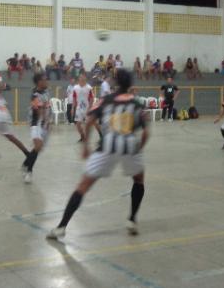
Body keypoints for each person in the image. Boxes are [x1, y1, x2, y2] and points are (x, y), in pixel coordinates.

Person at [46, 70, 149, 239]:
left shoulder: (106, 100)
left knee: (83, 186)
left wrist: (86, 145)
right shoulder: (137, 103)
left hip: (107, 147)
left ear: (115, 83)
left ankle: (61, 227)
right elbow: (146, 132)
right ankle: (132, 220)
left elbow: (89, 121)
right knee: (139, 180)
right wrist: (139, 149)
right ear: (130, 84)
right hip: (130, 147)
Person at [22, 73, 51, 183]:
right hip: (35, 123)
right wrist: (45, 120)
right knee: (38, 146)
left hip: (44, 124)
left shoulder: (47, 92)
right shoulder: (34, 94)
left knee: (37, 149)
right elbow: (39, 110)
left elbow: (47, 108)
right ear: (39, 82)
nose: (47, 81)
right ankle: (29, 171)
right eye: (45, 80)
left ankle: (25, 163)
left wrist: (48, 121)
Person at [73, 73, 95, 143]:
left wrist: (90, 107)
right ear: (78, 78)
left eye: (83, 77)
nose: (82, 78)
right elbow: (74, 98)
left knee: (87, 125)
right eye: (80, 77)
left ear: (85, 78)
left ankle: (86, 137)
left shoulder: (89, 87)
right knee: (78, 124)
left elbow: (92, 98)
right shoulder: (75, 87)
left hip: (87, 108)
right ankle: (82, 136)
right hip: (79, 108)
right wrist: (73, 108)